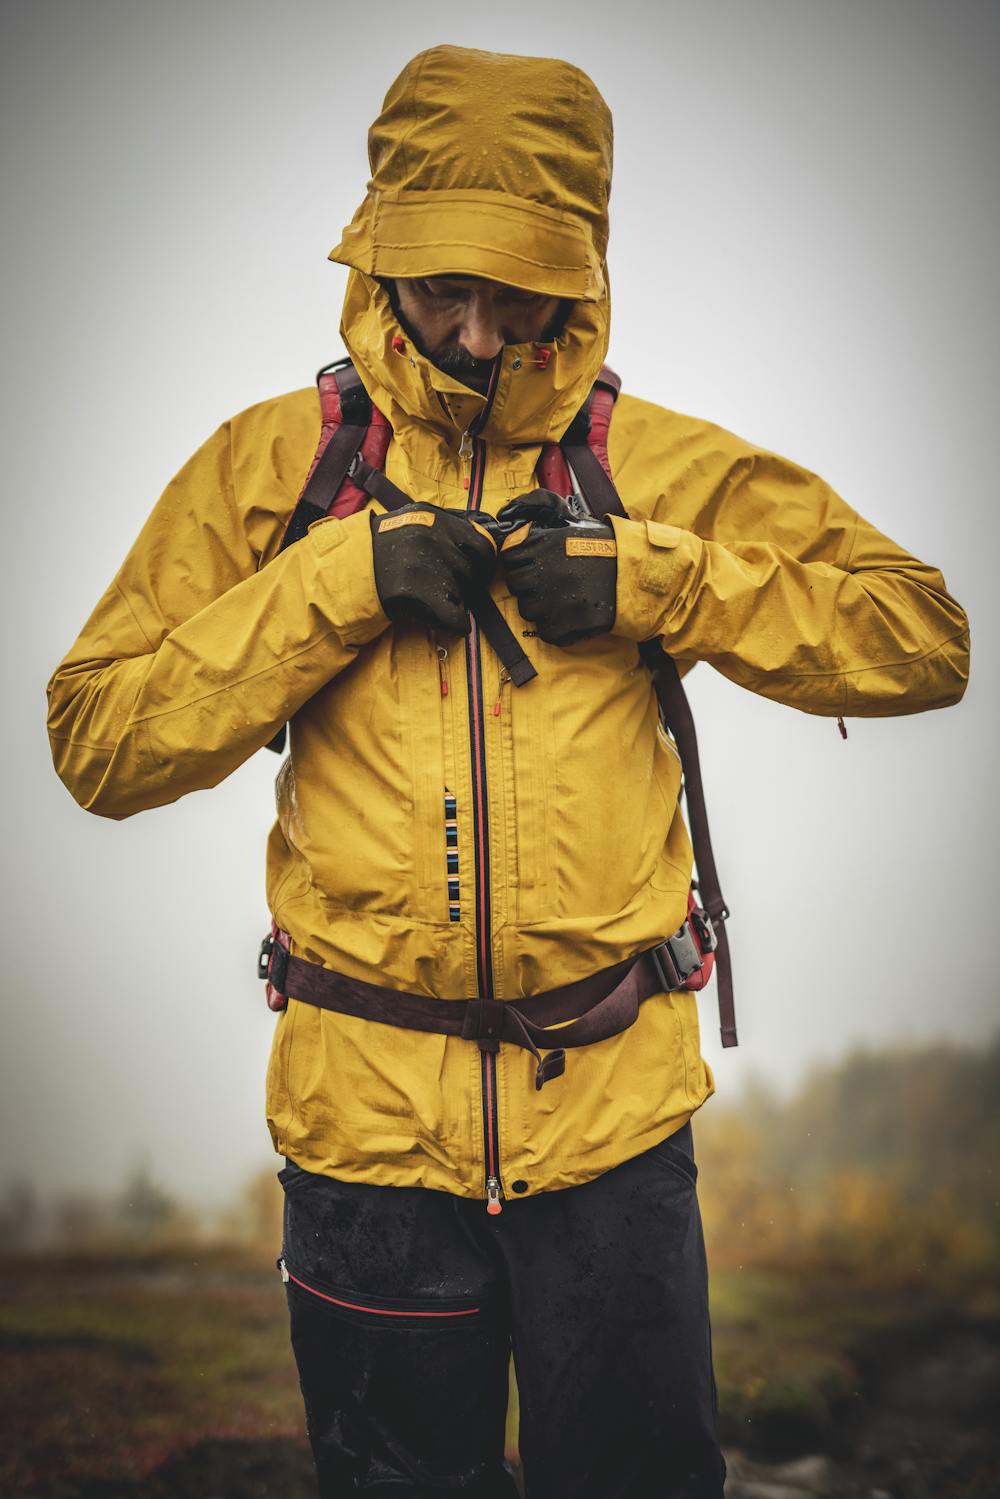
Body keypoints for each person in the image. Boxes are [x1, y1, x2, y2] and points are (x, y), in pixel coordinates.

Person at [46, 43, 969, 1499]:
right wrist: (335, 582)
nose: (478, 334)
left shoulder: (651, 469)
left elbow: (924, 637)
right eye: (440, 288)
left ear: (582, 266)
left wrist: (656, 580)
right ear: (379, 257)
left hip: (614, 1142)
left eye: (516, 289)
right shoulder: (278, 471)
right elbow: (95, 739)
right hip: (365, 1154)